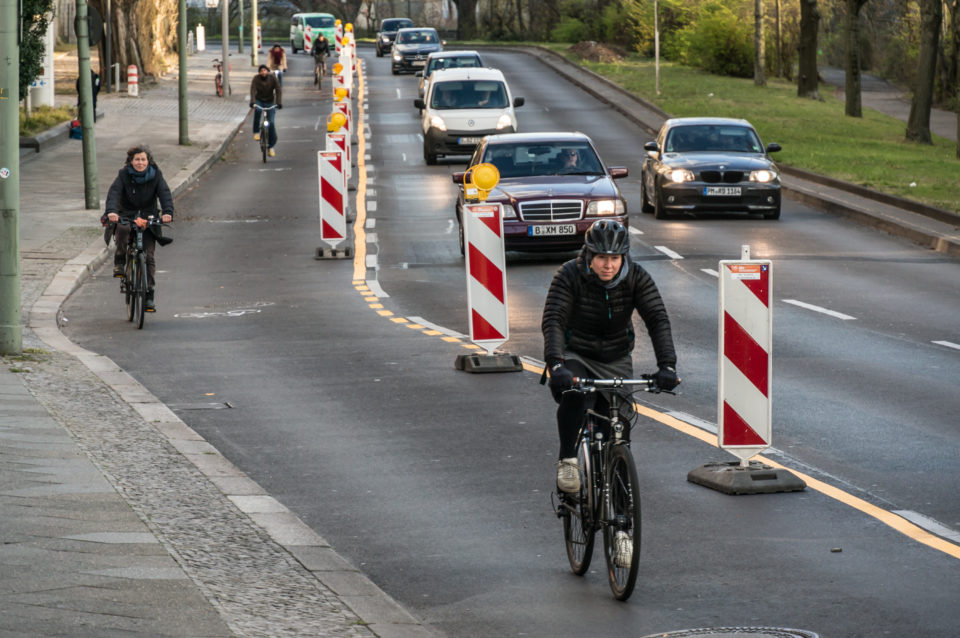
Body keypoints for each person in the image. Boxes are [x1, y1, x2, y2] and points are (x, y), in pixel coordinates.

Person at [541, 219, 678, 495]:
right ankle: (568, 459)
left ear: (623, 257)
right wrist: (556, 364)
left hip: (615, 357)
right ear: (589, 255)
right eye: (601, 257)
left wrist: (667, 366)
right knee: (575, 395)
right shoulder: (568, 274)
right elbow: (554, 319)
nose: (608, 265)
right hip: (576, 351)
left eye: (614, 258)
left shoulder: (637, 277)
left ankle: (621, 523)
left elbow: (657, 319)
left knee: (617, 431)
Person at [102, 145, 174, 312]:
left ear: (148, 161)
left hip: (149, 217)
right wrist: (112, 211)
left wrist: (168, 212)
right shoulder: (124, 175)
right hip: (127, 214)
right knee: (123, 229)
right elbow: (114, 193)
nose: (140, 162)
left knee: (148, 257)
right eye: (137, 159)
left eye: (143, 159)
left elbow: (164, 193)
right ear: (131, 161)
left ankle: (149, 295)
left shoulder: (156, 175)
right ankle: (120, 261)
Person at [250, 64, 282, 157]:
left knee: (271, 123)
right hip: (259, 100)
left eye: (264, 70)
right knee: (258, 111)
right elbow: (252, 90)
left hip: (270, 101)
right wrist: (252, 102)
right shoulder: (256, 79)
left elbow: (278, 90)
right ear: (259, 72)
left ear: (267, 71)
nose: (263, 72)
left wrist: (278, 102)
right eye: (261, 71)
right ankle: (256, 132)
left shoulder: (273, 78)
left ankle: (271, 147)